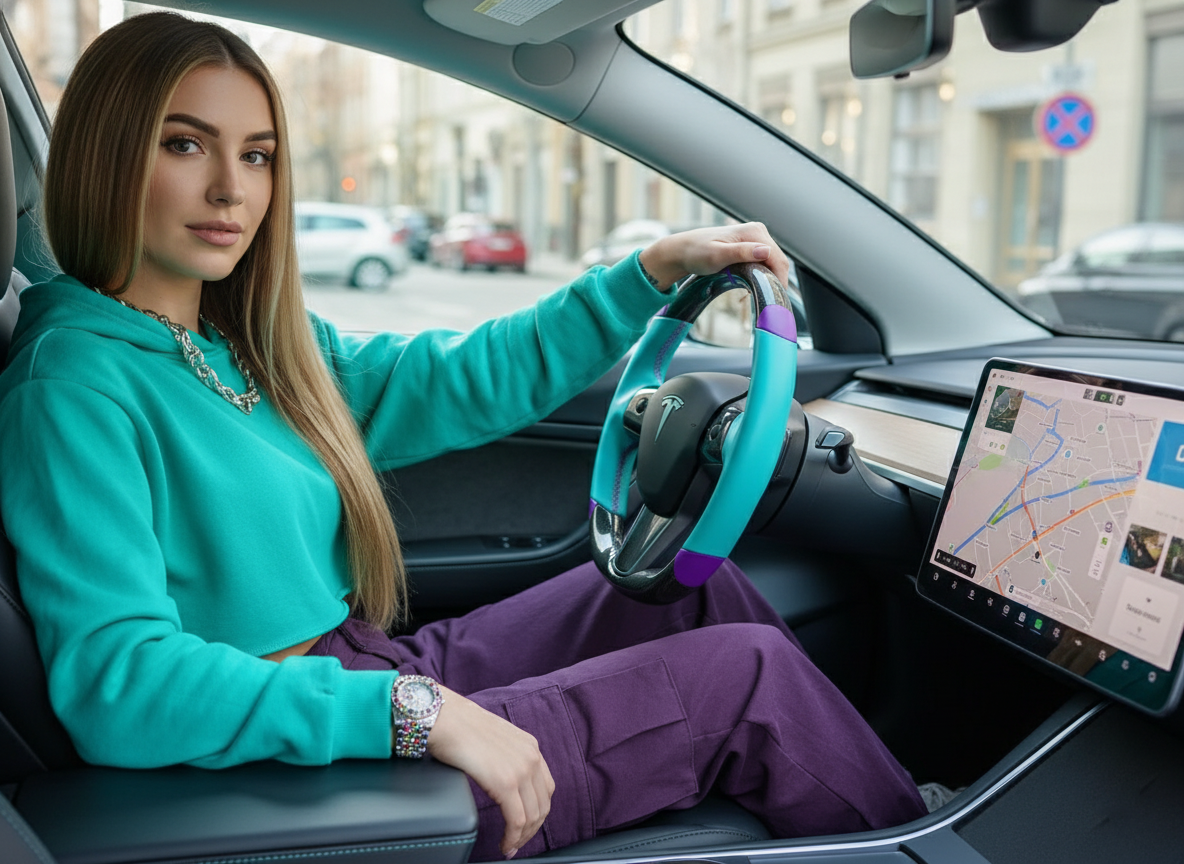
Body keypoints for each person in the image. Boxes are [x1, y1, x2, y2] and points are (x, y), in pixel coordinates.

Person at [0, 11, 927, 862]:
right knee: (748, 677)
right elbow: (121, 684)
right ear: (108, 154)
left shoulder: (247, 344)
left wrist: (644, 272)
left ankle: (875, 811)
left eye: (258, 156)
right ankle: (926, 838)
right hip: (295, 765)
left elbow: (459, 375)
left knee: (697, 587)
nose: (229, 189)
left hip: (358, 676)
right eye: (184, 143)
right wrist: (414, 712)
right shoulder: (72, 385)